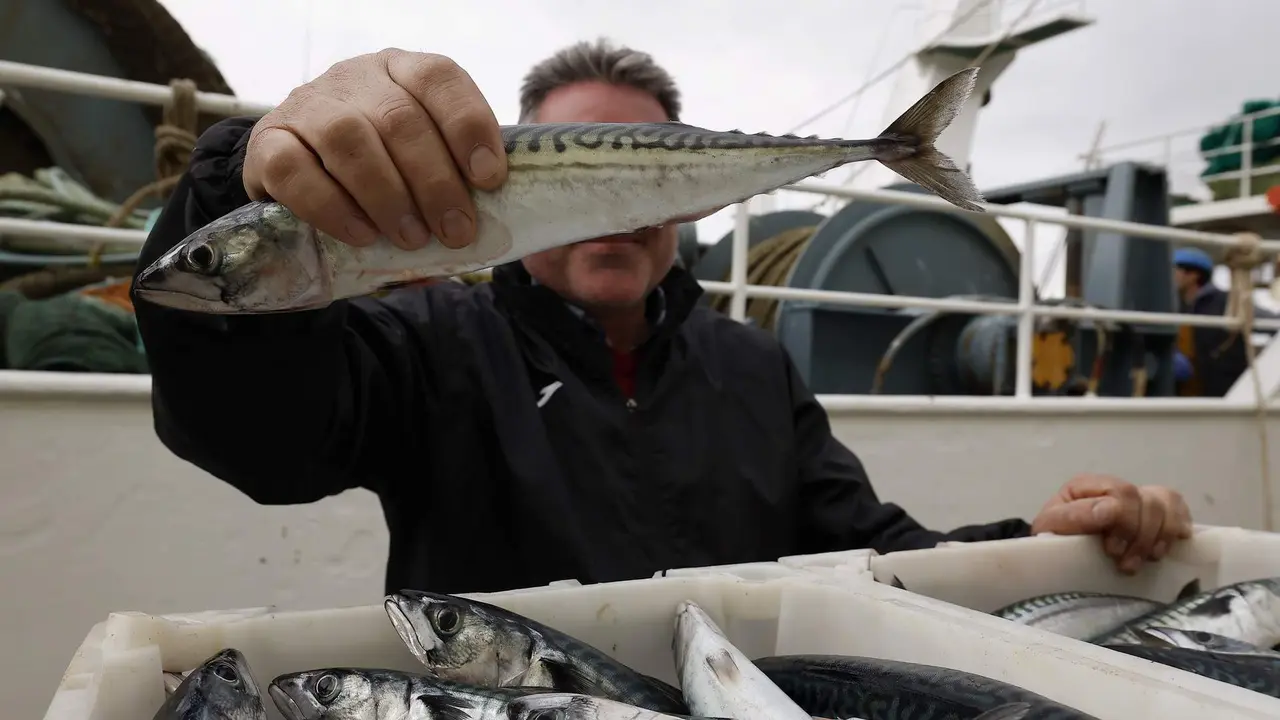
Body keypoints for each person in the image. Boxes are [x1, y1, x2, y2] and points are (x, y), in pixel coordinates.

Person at [131, 39, 1193, 596]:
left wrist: (1031, 545)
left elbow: (872, 553)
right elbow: (255, 435)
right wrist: (236, 185)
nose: (616, 218)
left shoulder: (751, 365)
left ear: (678, 191)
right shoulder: (431, 347)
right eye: (579, 171)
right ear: (486, 186)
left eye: (637, 177)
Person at [1172, 247, 1247, 397]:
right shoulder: (1179, 305)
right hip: (1191, 391)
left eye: (1175, 270)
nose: (1172, 276)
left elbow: (1265, 318)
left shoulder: (1225, 301)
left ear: (1193, 275)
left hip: (1223, 392)